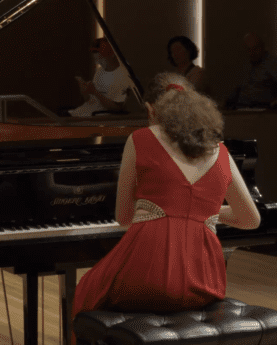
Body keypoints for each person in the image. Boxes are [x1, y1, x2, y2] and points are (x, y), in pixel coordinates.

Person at [71, 72, 261, 345]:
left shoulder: (140, 139)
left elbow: (123, 217)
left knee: (86, 290)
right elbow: (250, 219)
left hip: (146, 274)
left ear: (151, 109)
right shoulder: (221, 151)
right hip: (204, 281)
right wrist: (203, 214)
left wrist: (157, 212)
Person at [67, 38, 131, 117]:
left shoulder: (124, 74)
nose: (98, 62)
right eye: (96, 59)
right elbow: (90, 100)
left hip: (99, 117)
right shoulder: (100, 71)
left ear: (112, 54)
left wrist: (95, 92)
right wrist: (85, 92)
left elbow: (117, 108)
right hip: (84, 112)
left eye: (101, 59)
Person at [225, 32, 277, 109]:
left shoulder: (274, 64)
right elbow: (239, 88)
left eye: (255, 49)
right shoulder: (246, 65)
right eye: (249, 50)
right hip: (242, 108)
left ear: (262, 47)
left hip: (263, 110)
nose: (252, 53)